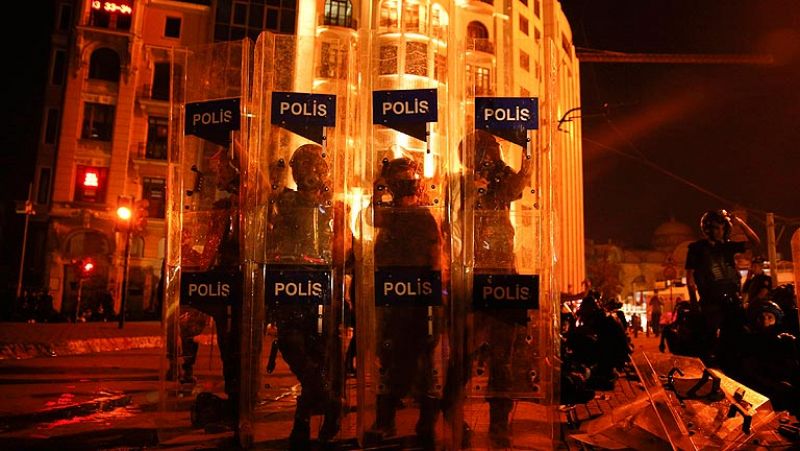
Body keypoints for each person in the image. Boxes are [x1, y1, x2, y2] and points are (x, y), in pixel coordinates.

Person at [267, 143, 346, 448]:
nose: (307, 173)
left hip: (321, 284)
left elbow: (343, 250)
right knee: (292, 346)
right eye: (301, 167)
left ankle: (303, 423)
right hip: (288, 282)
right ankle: (329, 401)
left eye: (314, 166)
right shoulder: (284, 200)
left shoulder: (334, 206)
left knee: (318, 355)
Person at [368, 157, 443, 448]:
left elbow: (436, 256)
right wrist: (378, 188)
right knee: (388, 357)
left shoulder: (424, 216)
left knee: (423, 357)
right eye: (399, 183)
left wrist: (435, 296)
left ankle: (425, 421)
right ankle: (386, 419)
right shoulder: (390, 214)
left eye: (407, 182)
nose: (405, 189)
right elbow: (372, 218)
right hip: (392, 292)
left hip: (418, 294)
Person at [685, 209, 760, 370]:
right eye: (715, 228)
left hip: (732, 299)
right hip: (711, 301)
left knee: (739, 337)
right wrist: (693, 302)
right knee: (708, 341)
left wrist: (740, 223)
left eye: (721, 228)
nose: (718, 232)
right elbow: (690, 277)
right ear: (706, 229)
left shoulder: (728, 247)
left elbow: (755, 242)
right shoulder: (697, 248)